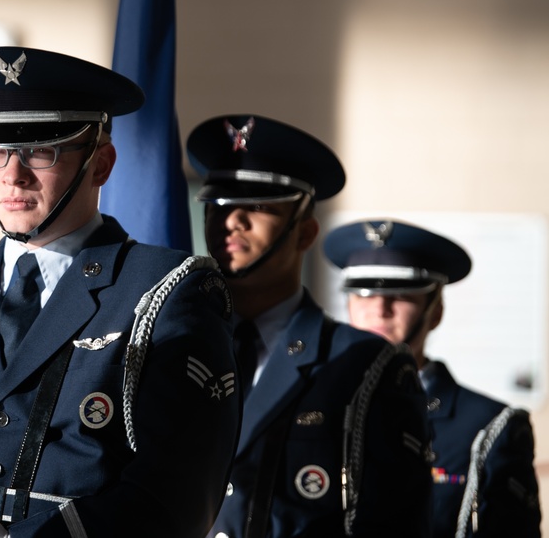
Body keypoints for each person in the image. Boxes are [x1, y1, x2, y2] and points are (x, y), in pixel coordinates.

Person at [0, 46, 240, 537]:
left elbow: (175, 497)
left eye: (41, 151)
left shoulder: (169, 288)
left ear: (101, 164)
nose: (12, 175)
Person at [185, 114, 433, 538]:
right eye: (220, 205)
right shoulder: (175, 344)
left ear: (306, 232)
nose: (232, 220)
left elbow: (396, 521)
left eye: (258, 207)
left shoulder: (367, 367)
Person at [323, 219, 542, 538]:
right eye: (364, 294)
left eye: (402, 295)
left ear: (435, 311)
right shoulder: (317, 402)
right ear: (348, 304)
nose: (380, 309)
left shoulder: (489, 427)